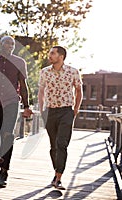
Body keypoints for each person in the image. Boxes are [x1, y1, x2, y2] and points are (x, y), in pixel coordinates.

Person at [0, 35, 33, 188]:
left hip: (11, 103)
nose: (10, 45)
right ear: (1, 44)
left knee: (8, 134)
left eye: (12, 43)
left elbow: (23, 85)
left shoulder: (19, 62)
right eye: (7, 42)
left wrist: (26, 106)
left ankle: (3, 172)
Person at [38, 46, 83, 190]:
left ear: (61, 56)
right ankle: (56, 172)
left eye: (52, 53)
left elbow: (78, 90)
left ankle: (58, 178)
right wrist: (41, 109)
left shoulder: (73, 71)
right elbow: (41, 91)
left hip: (66, 112)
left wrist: (75, 109)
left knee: (61, 144)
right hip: (50, 111)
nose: (49, 55)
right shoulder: (44, 72)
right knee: (53, 146)